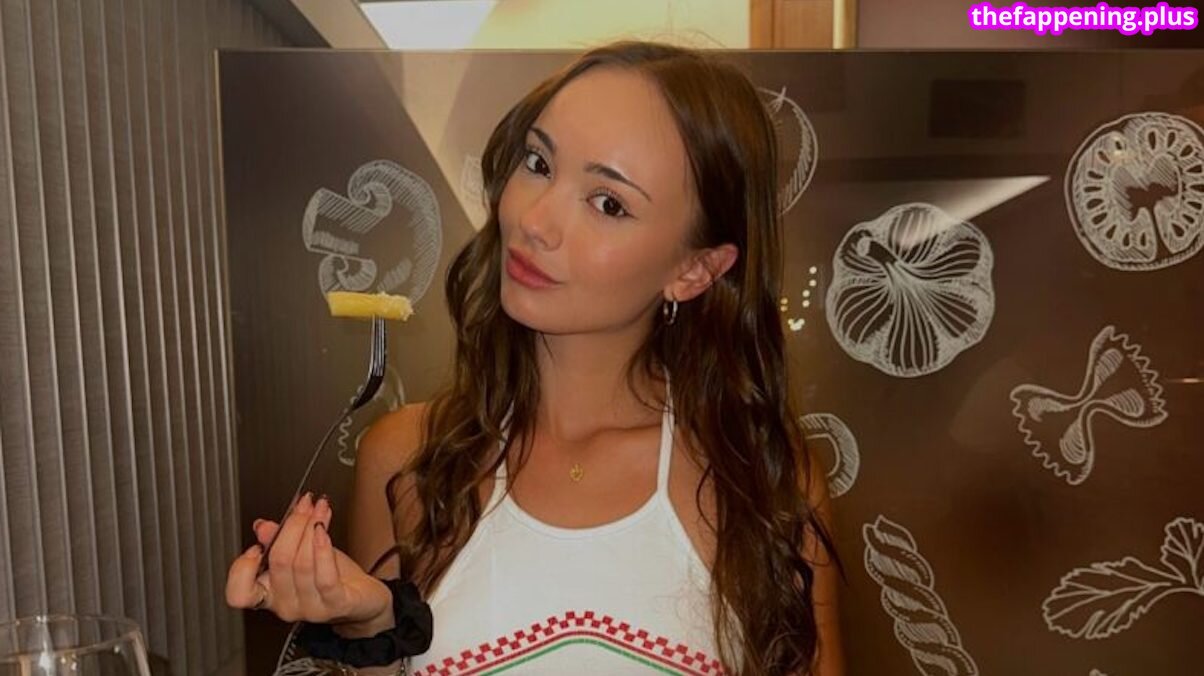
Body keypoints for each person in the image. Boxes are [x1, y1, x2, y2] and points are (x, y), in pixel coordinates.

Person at [227, 40, 844, 675]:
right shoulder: (410, 457)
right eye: (539, 162)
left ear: (695, 270)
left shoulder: (759, 481)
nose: (534, 220)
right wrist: (370, 623)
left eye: (608, 203)